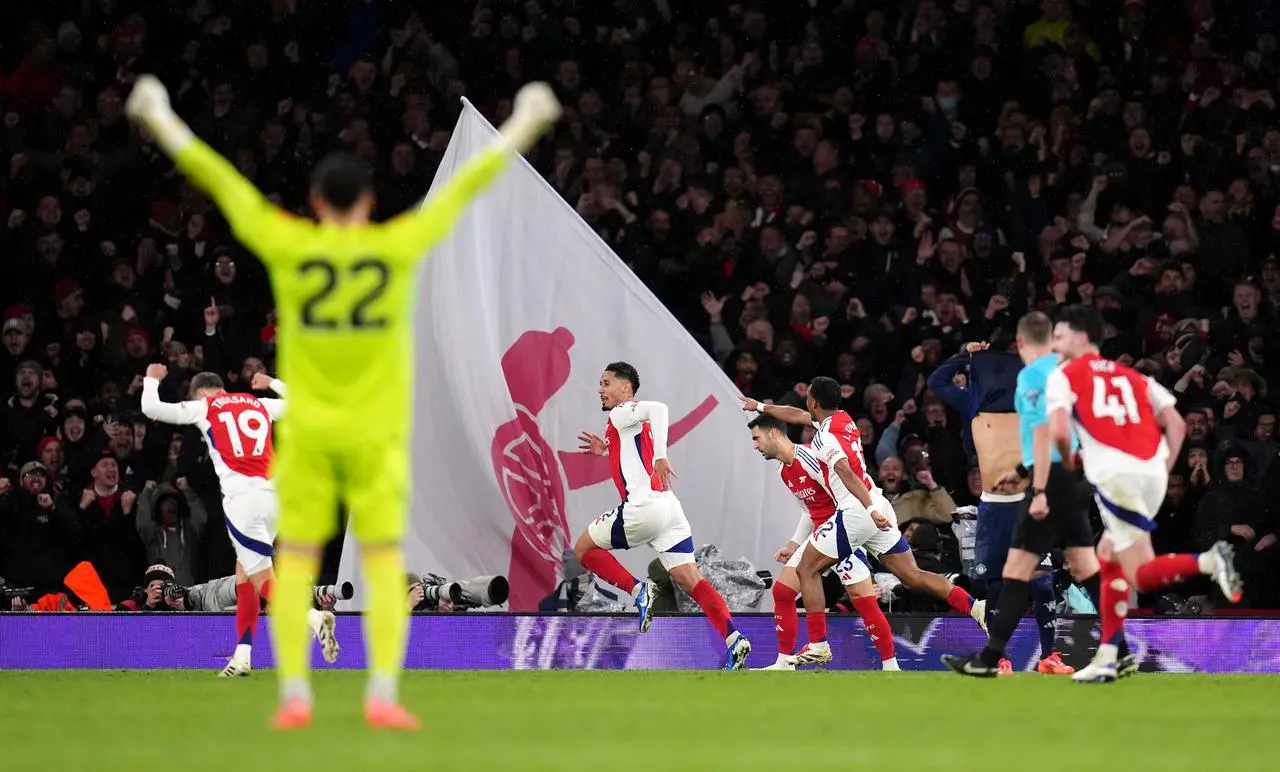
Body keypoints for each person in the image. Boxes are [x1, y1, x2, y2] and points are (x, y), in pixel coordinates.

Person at [124, 74, 562, 728]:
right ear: (369, 201)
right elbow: (462, 195)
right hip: (372, 428)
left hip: (312, 440)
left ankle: (294, 696)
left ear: (314, 203)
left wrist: (162, 119)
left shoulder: (293, 247)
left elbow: (225, 185)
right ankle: (383, 694)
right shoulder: (391, 247)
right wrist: (525, 121)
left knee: (290, 564)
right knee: (383, 560)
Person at [1047, 305, 1243, 683]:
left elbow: (1058, 432)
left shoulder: (1065, 375)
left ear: (1082, 338)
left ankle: (1208, 562)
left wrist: (1074, 458)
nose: (1055, 344)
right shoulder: (1132, 376)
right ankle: (1110, 657)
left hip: (1118, 476)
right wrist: (1161, 470)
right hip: (1148, 472)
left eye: (1060, 336)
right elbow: (1177, 423)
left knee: (1140, 574)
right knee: (1107, 559)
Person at [744, 377, 984, 665]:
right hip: (874, 502)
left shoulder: (821, 440)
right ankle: (975, 607)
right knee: (913, 575)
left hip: (856, 511)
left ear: (814, 402)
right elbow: (796, 415)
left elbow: (844, 470)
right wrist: (759, 406)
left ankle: (819, 644)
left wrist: (868, 509)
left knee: (808, 568)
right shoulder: (842, 419)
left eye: (807, 398)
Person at [140, 365, 337, 677]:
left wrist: (152, 377)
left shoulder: (204, 407)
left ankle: (313, 617)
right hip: (274, 500)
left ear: (199, 393)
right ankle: (242, 656)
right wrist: (271, 382)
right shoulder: (259, 403)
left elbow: (150, 408)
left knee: (262, 581)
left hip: (242, 502)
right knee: (244, 574)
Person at [941, 312, 1103, 677]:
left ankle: (998, 658)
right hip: (1072, 475)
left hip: (1054, 481)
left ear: (1021, 344)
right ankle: (1111, 650)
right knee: (1071, 569)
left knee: (1031, 575)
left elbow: (1046, 432)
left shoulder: (1034, 376)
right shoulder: (1063, 370)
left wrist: (1040, 489)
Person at [574, 362, 752, 670]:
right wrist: (607, 449)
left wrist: (660, 455)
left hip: (643, 507)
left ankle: (637, 589)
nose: (600, 389)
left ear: (625, 388)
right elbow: (634, 450)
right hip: (669, 509)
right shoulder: (627, 423)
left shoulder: (623, 411)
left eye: (606, 383)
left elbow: (659, 408)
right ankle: (734, 639)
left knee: (584, 549)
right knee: (691, 580)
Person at [929, 337, 1064, 674]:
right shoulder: (974, 398)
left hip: (1027, 501)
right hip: (992, 507)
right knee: (996, 587)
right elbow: (937, 381)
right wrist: (965, 356)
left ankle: (1050, 657)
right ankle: (998, 659)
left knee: (1042, 582)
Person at [748, 415, 897, 671]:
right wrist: (794, 545)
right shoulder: (784, 471)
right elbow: (809, 511)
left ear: (773, 433)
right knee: (783, 592)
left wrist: (849, 534)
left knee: (862, 598)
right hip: (820, 535)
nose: (755, 446)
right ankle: (784, 662)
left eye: (756, 438)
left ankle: (891, 666)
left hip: (842, 531)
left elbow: (839, 494)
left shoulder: (808, 458)